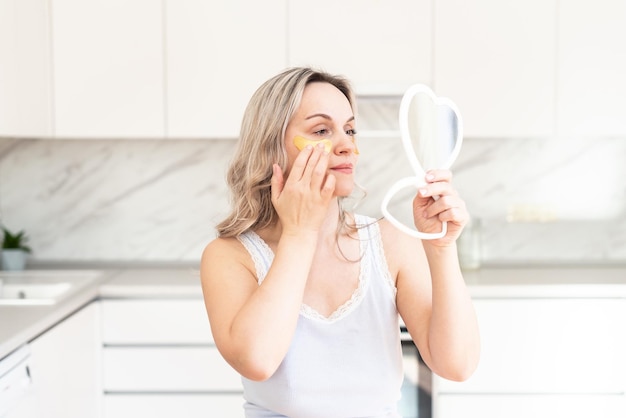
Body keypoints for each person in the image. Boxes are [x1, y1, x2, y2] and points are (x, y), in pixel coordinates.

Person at [200, 67, 480, 418]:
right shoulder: (229, 256)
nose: (348, 145)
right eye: (321, 130)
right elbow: (257, 360)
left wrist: (441, 248)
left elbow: (458, 365)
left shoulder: (390, 243)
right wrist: (300, 232)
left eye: (349, 129)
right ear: (272, 147)